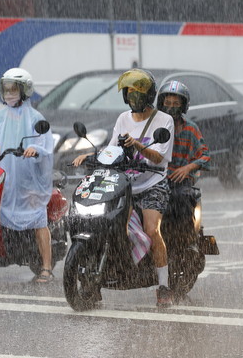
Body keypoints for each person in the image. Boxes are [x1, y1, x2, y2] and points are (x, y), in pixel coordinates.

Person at [72, 69, 175, 307]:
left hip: (152, 184)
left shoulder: (164, 120)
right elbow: (112, 150)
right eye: (129, 93)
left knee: (151, 229)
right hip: (124, 183)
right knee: (108, 225)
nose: (133, 98)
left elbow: (159, 159)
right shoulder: (122, 119)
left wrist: (137, 145)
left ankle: (163, 286)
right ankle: (99, 278)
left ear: (148, 95)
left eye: (138, 93)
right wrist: (91, 155)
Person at [0, 68, 55, 283]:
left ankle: (46, 267)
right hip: (5, 178)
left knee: (38, 218)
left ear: (24, 90)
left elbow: (45, 144)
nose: (9, 93)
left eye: (13, 88)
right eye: (6, 88)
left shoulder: (36, 117)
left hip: (28, 179)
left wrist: (35, 149)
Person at [157, 80, 211, 234]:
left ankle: (185, 242)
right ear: (161, 103)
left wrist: (187, 168)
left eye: (176, 103)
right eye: (167, 102)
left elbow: (205, 156)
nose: (171, 107)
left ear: (183, 106)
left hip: (180, 182)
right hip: (156, 179)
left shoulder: (190, 128)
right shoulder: (154, 126)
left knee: (182, 200)